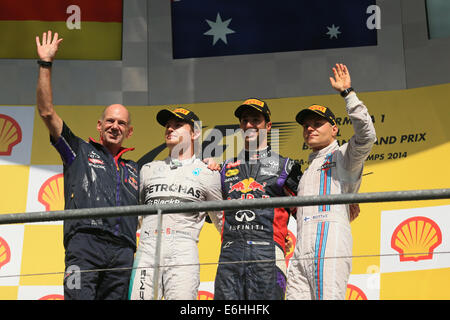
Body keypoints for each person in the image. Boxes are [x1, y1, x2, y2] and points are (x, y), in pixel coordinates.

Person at [36, 30, 139, 300]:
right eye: (110, 121)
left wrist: (209, 163)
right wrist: (45, 64)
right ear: (99, 125)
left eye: (121, 123)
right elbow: (47, 112)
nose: (115, 126)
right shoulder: (78, 150)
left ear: (129, 131)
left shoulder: (135, 169)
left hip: (123, 252)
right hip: (85, 244)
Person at [286, 64, 376, 300]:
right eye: (306, 125)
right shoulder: (306, 170)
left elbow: (367, 136)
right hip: (302, 245)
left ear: (334, 129)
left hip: (330, 240)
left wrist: (348, 94)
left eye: (317, 123)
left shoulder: (344, 156)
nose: (310, 128)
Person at [129, 107, 223, 300]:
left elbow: (222, 221)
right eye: (168, 126)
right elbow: (133, 220)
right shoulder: (148, 169)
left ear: (195, 133)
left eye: (178, 125)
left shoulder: (208, 172)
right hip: (147, 247)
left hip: (183, 248)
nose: (170, 129)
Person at [214, 98, 302, 300]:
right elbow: (214, 215)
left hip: (268, 253)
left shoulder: (286, 167)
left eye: (256, 120)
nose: (249, 125)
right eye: (244, 120)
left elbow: (305, 213)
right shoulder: (225, 168)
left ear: (268, 126)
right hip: (230, 254)